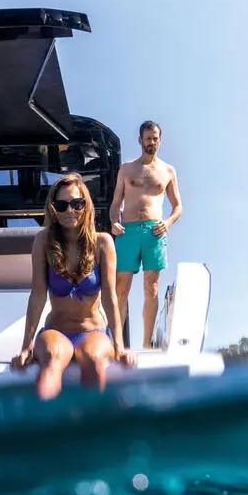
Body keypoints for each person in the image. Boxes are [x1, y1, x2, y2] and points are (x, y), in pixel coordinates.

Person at [11, 172, 130, 400]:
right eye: (62, 205)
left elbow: (110, 297)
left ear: (86, 205)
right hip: (56, 331)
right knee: (52, 361)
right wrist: (26, 347)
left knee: (94, 359)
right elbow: (37, 295)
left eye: (77, 204)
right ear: (53, 208)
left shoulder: (103, 243)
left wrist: (120, 346)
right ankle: (45, 426)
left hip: (93, 331)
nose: (70, 211)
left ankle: (91, 429)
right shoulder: (43, 241)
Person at [109, 120, 183, 349]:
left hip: (154, 231)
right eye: (147, 138)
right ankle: (117, 344)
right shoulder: (126, 169)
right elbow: (115, 203)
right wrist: (113, 222)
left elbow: (178, 206)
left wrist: (168, 222)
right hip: (128, 231)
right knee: (121, 289)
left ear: (160, 140)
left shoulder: (168, 171)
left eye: (155, 138)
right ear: (139, 139)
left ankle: (146, 343)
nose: (151, 142)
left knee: (151, 288)